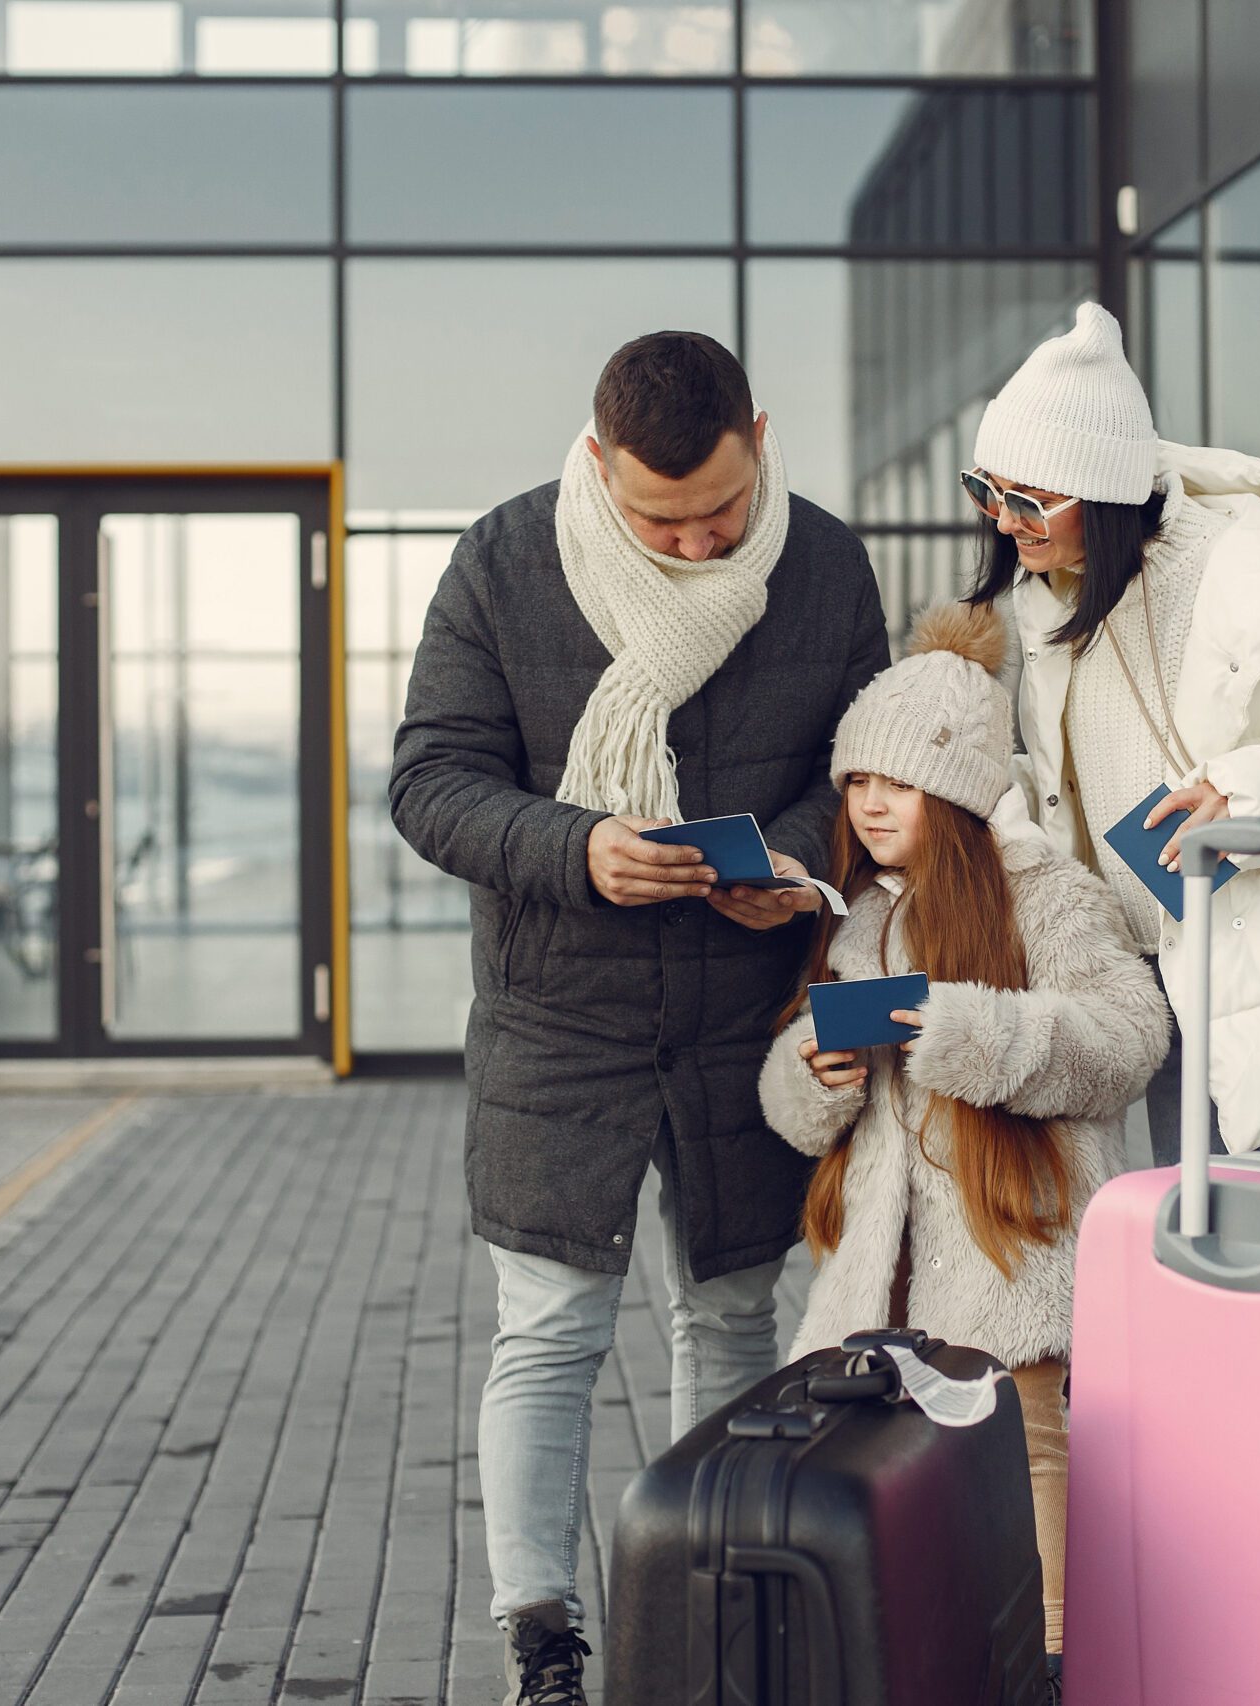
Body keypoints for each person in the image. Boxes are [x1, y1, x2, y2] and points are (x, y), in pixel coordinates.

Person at [389, 331, 891, 1706]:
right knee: (550, 1327)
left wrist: (788, 863)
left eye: (722, 508)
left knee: (730, 1319)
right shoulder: (502, 561)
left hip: (747, 1017)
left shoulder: (829, 566)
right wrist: (578, 848)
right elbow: (431, 781)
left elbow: (867, 775)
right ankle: (540, 1637)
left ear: (763, 435)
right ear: (598, 460)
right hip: (560, 1023)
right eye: (659, 516)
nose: (696, 536)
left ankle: (712, 1609)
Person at [758, 601, 1169, 1690]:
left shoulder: (1048, 896)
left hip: (1011, 1266)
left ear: (961, 786)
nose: (869, 803)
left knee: (1032, 1497)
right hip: (880, 1288)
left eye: (894, 780)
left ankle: (1053, 1678)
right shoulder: (858, 915)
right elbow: (791, 1102)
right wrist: (814, 1071)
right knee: (909, 1521)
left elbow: (1130, 1038)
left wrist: (965, 1027)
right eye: (856, 780)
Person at [962, 301, 1260, 1164]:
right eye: (984, 491)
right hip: (1158, 985)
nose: (1001, 519)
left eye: (1028, 498)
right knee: (1205, 1264)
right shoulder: (1052, 596)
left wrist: (1244, 797)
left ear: (1103, 491)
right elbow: (1081, 783)